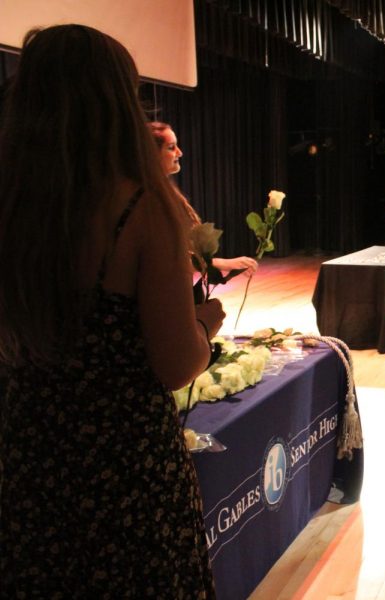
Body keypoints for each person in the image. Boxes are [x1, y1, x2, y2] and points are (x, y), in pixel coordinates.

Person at [0, 25, 223, 596]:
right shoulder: (142, 207)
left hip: (27, 455)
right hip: (124, 467)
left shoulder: (12, 204)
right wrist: (205, 324)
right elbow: (177, 365)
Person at [148, 121, 258, 277]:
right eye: (171, 147)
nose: (180, 153)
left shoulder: (164, 192)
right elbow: (165, 258)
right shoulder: (150, 199)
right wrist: (222, 263)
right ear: (152, 154)